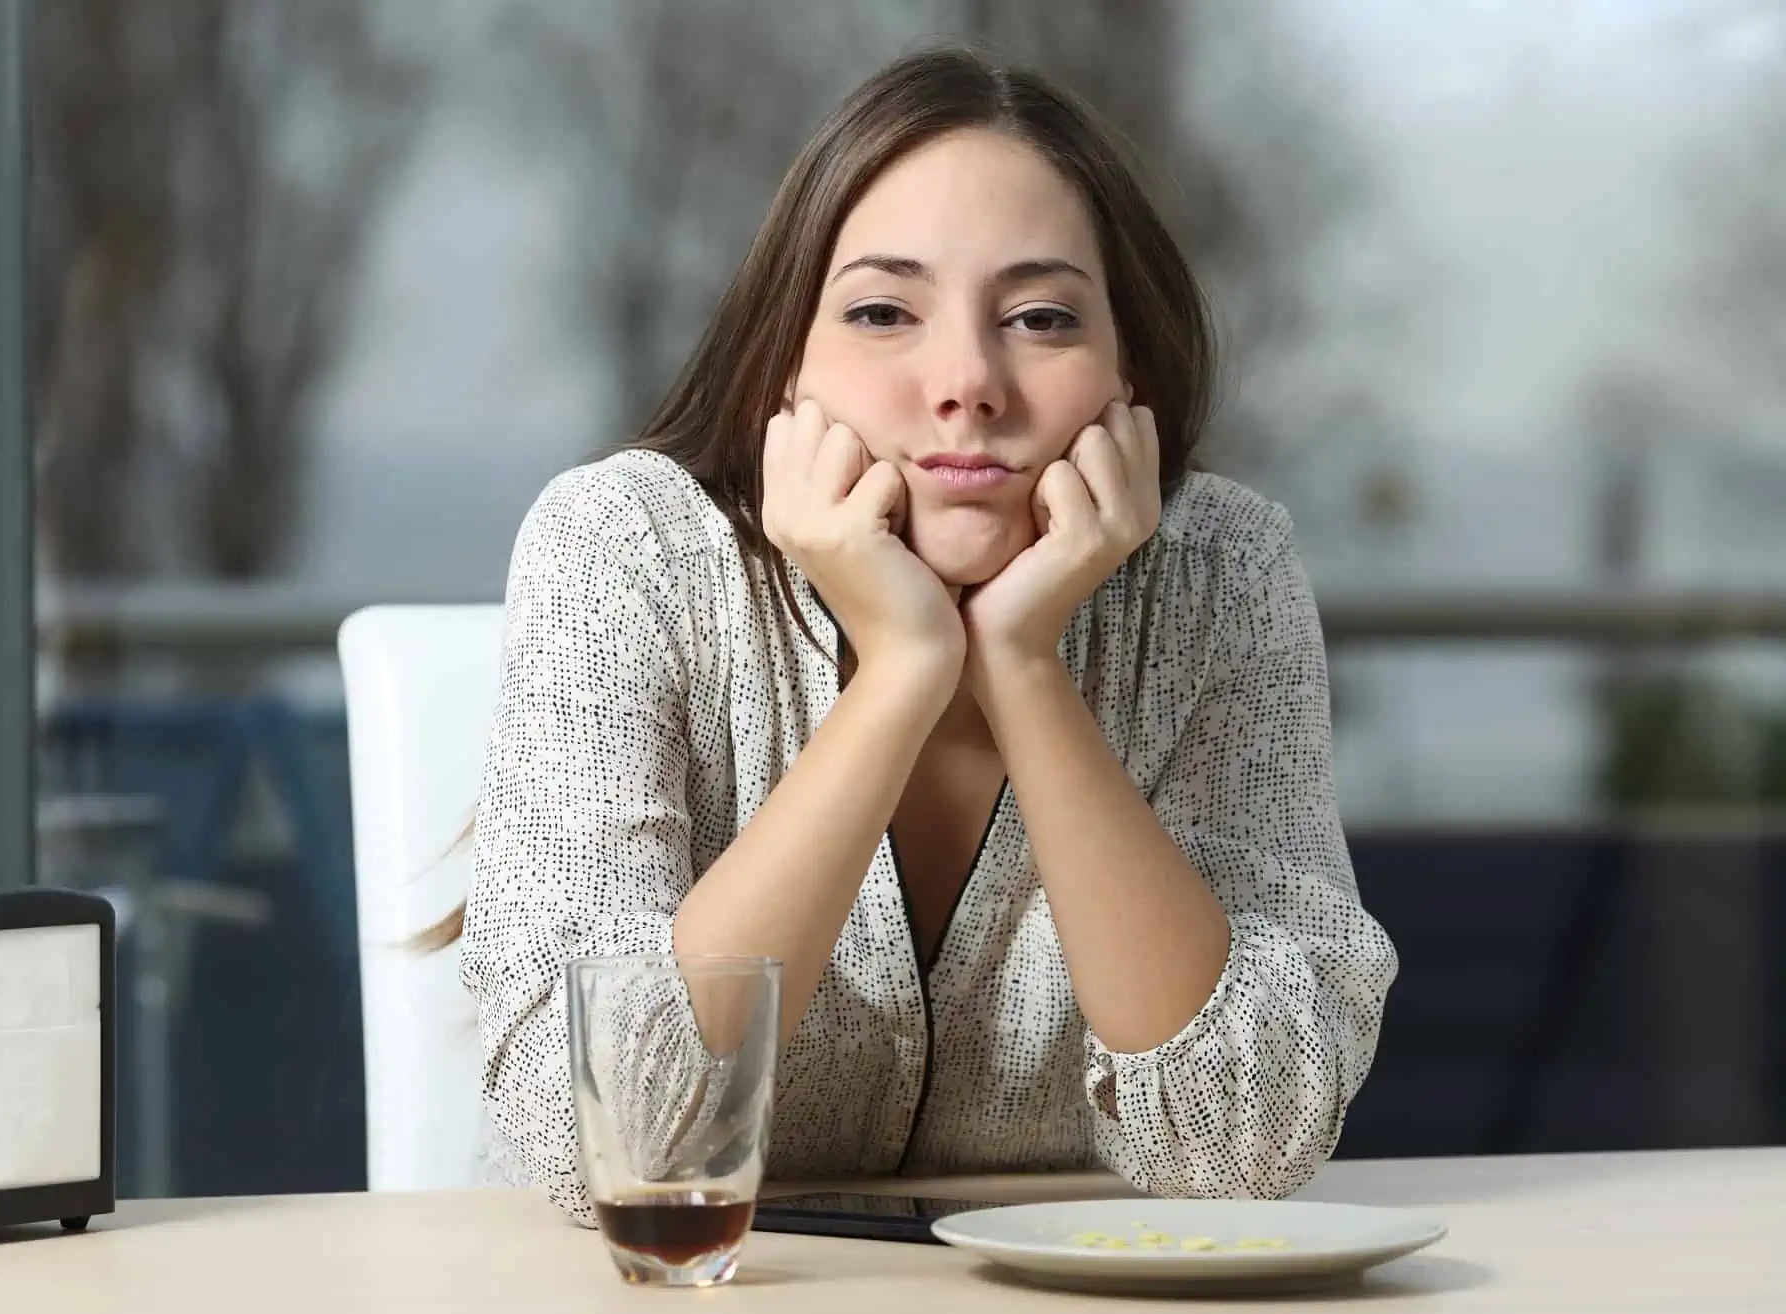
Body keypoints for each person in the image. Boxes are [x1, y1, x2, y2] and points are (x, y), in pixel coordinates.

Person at [448, 42, 1398, 1224]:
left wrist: (1022, 667)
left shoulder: (1219, 573)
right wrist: (899, 673)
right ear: (778, 368)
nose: (966, 383)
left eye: (1042, 317)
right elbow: (619, 1140)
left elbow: (1248, 1141)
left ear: (1127, 376)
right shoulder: (624, 548)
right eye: (883, 312)